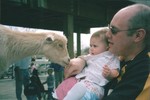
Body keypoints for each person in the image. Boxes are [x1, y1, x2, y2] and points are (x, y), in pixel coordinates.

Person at [65, 4, 150, 100]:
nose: (107, 34)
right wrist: (82, 60)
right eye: (109, 28)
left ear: (138, 35)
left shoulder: (144, 71)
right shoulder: (122, 58)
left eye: (113, 30)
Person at [55, 27, 120, 100]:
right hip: (83, 80)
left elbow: (116, 71)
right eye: (90, 45)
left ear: (107, 47)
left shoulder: (111, 57)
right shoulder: (91, 56)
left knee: (86, 94)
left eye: (95, 46)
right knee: (68, 83)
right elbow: (81, 58)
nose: (91, 48)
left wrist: (110, 73)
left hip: (96, 85)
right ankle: (57, 96)